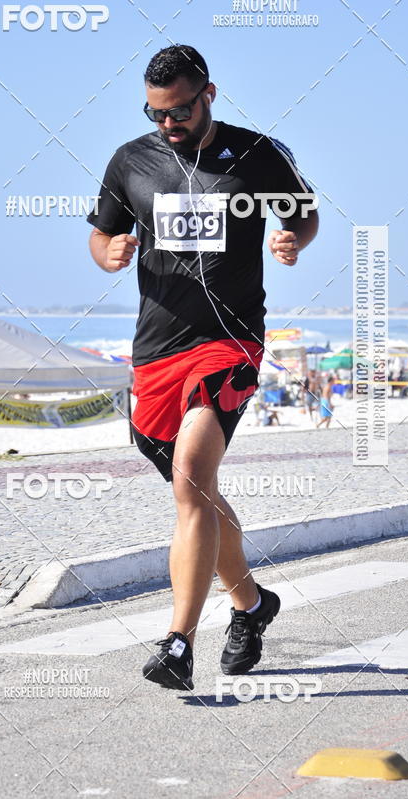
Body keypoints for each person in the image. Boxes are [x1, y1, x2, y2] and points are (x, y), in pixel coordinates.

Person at [87, 45, 318, 690]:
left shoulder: (257, 155)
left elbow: (304, 216)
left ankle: (177, 642)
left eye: (181, 110)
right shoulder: (130, 162)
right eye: (157, 112)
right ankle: (252, 604)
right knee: (199, 492)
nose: (169, 123)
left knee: (191, 476)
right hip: (158, 349)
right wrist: (110, 253)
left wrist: (291, 240)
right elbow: (100, 235)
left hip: (230, 340)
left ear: (209, 94)